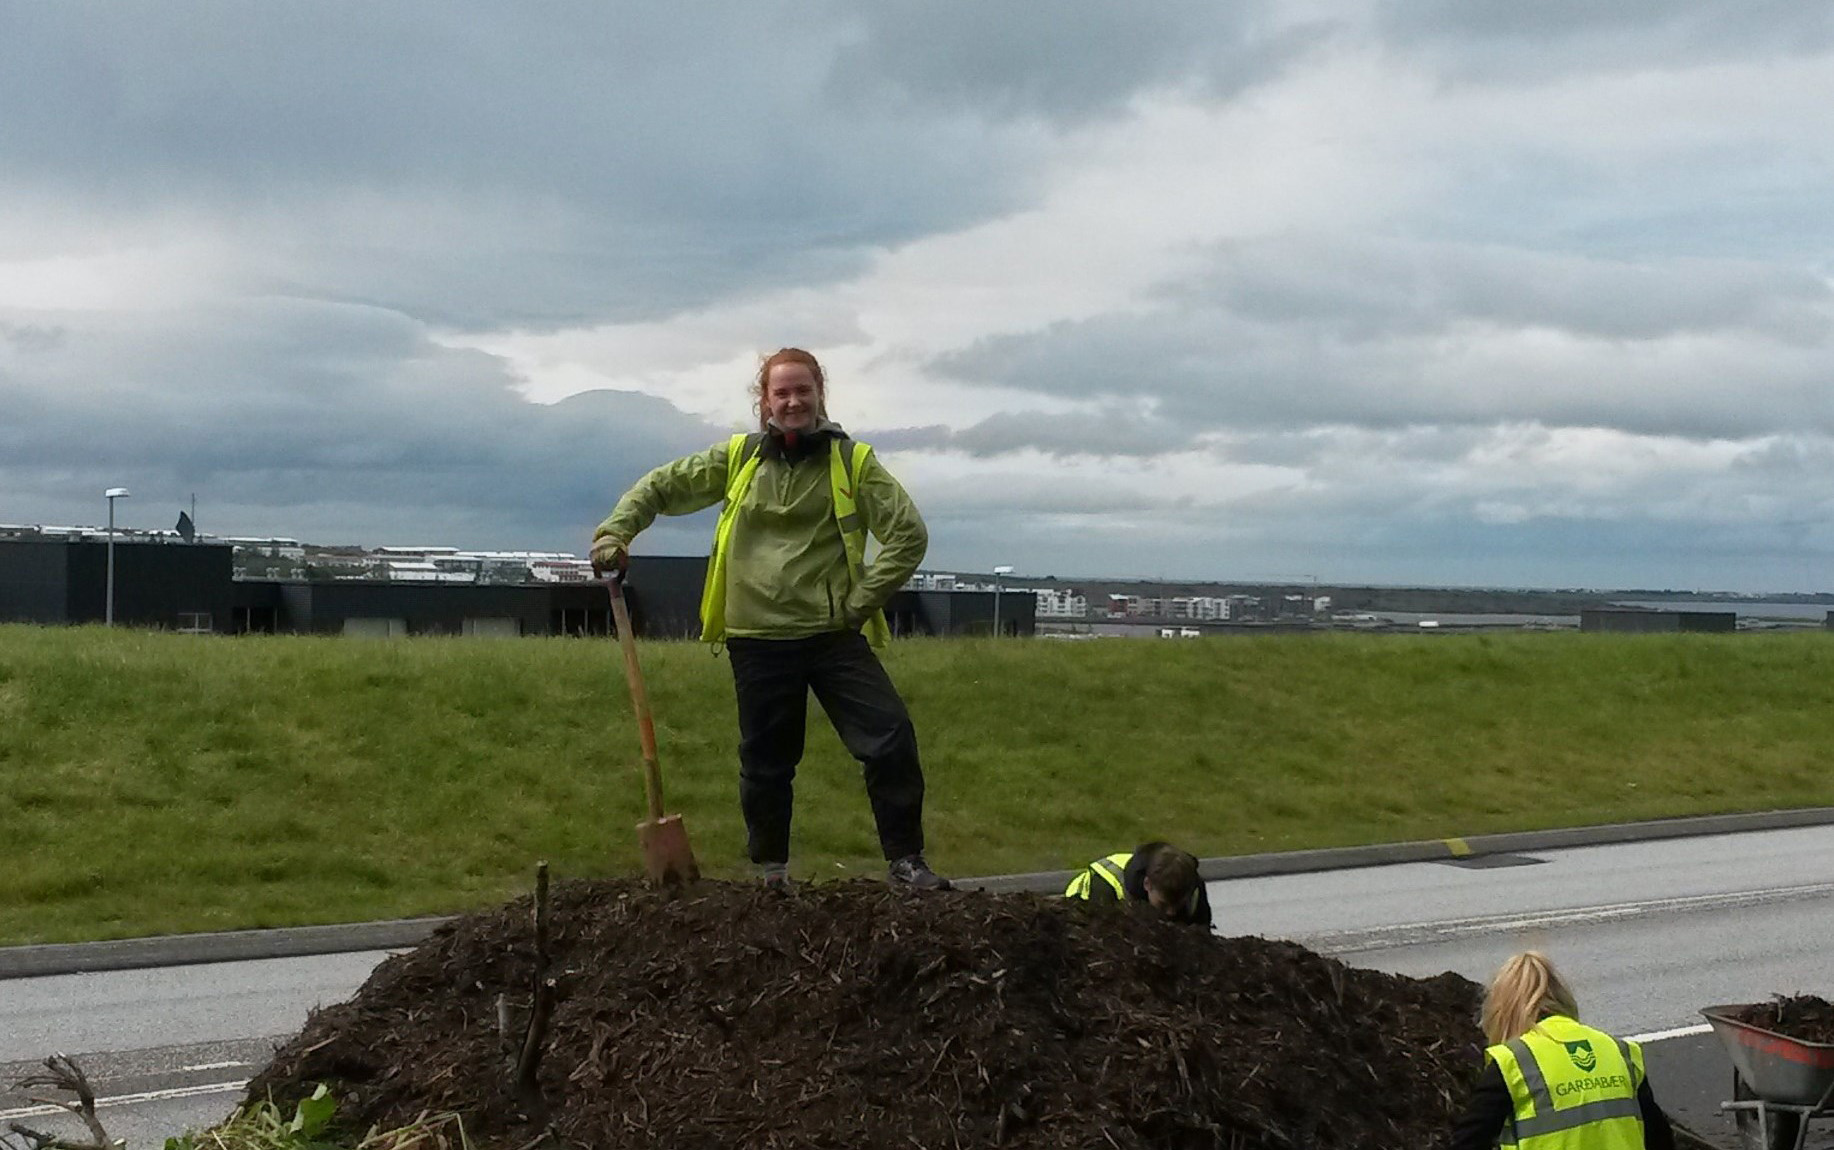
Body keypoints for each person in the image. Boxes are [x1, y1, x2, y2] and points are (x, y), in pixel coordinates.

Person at [590, 348, 948, 891]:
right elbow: (660, 486)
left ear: (819, 394)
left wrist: (857, 604)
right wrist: (616, 533)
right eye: (781, 392)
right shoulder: (738, 459)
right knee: (767, 761)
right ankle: (772, 873)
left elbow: (908, 536)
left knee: (890, 737)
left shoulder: (851, 462)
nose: (793, 401)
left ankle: (907, 862)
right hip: (757, 639)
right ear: (764, 401)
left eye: (802, 390)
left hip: (832, 636)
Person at [1450, 951, 1674, 1150]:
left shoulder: (1513, 1063)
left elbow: (1468, 1142)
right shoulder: (1619, 1052)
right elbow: (1660, 1139)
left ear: (1501, 1011)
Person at [1064, 842, 1213, 928]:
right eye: (1163, 905)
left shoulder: (1192, 887)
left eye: (1178, 904)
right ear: (1147, 884)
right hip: (1077, 919)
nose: (1171, 913)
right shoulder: (1104, 887)